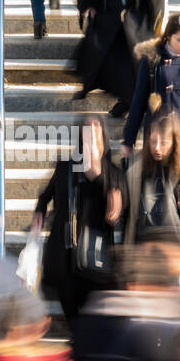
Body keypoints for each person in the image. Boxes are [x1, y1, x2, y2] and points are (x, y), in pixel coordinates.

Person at [32, 114, 125, 322]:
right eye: (86, 132)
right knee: (69, 299)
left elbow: (117, 212)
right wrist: (39, 211)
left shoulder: (114, 173)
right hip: (65, 252)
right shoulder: (65, 166)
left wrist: (97, 174)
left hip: (95, 253)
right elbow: (45, 195)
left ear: (104, 137)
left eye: (96, 132)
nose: (91, 137)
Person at [123, 11, 180, 164]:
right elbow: (138, 101)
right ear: (168, 36)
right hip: (161, 136)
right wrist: (129, 140)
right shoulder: (153, 59)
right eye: (179, 40)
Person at [124, 113, 180, 248]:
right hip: (145, 248)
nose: (157, 147)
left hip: (179, 248)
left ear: (175, 142)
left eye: (164, 142)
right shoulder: (137, 167)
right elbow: (128, 214)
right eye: (153, 141)